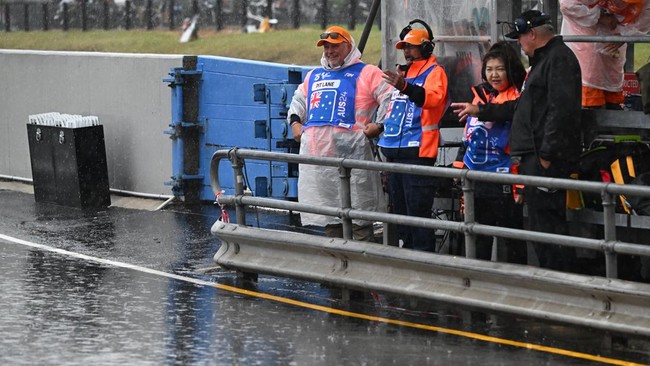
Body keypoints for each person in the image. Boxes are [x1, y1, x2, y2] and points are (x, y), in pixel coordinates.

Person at [451, 10, 582, 271]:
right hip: (534, 158)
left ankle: (562, 289)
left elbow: (562, 112)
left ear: (531, 34)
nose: (520, 44)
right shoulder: (544, 60)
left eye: (520, 37)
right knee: (540, 229)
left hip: (544, 160)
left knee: (548, 230)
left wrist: (545, 157)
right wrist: (481, 110)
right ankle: (553, 287)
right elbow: (520, 108)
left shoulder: (558, 59)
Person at [287, 26, 391, 241]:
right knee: (331, 218)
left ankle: (361, 266)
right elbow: (298, 102)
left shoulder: (368, 72)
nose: (329, 51)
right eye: (326, 46)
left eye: (335, 46)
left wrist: (379, 126)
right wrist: (295, 123)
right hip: (320, 161)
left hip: (355, 157)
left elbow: (391, 98)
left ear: (348, 45)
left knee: (359, 218)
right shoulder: (314, 76)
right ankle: (337, 265)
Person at [372, 20, 449, 252]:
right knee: (401, 215)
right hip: (394, 154)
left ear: (426, 48)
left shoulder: (435, 73)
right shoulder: (402, 74)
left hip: (417, 153)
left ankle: (423, 263)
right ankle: (408, 259)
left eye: (411, 47)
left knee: (418, 215)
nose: (406, 51)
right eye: (404, 47)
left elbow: (432, 99)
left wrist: (404, 86)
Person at [452, 41, 527, 263]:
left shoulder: (518, 97)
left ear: (511, 70)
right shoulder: (480, 96)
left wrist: (521, 184)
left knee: (512, 242)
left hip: (505, 181)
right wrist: (459, 168)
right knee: (477, 239)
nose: (494, 75)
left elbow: (521, 140)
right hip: (476, 180)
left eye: (500, 69)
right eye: (489, 69)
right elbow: (469, 137)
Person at [559, 0, 650, 109]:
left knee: (612, 81)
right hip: (584, 31)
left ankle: (612, 113)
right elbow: (568, 5)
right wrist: (600, 18)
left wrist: (625, 35)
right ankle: (590, 111)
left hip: (615, 34)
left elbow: (646, 18)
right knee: (588, 76)